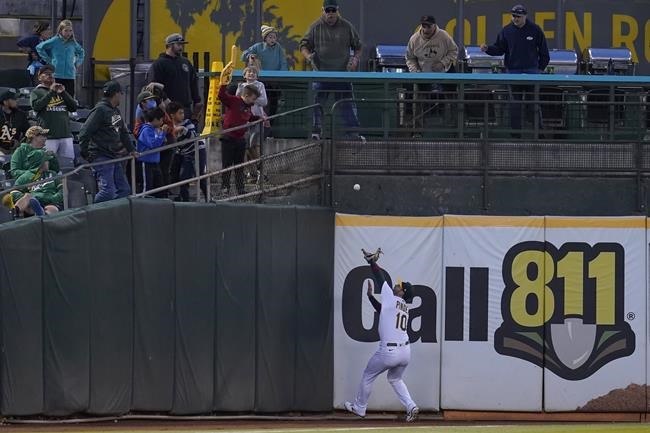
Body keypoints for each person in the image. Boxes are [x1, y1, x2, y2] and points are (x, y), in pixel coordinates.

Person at [344, 248, 419, 423]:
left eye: (400, 286)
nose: (397, 285)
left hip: (389, 352)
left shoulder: (392, 299)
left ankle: (359, 408)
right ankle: (411, 406)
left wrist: (371, 262)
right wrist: (370, 297)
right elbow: (381, 310)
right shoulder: (403, 307)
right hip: (405, 351)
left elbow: (380, 278)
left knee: (368, 375)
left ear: (402, 293)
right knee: (395, 378)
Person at [299, 0, 364, 141]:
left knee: (347, 104)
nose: (330, 14)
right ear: (323, 10)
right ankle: (316, 132)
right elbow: (303, 45)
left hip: (342, 74)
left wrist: (356, 59)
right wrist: (309, 56)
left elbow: (358, 46)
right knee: (317, 103)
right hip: (321, 73)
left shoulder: (347, 26)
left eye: (333, 11)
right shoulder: (315, 27)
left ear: (337, 10)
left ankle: (353, 133)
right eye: (327, 11)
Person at [480, 4, 549, 131]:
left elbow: (544, 51)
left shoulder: (535, 29)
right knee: (514, 104)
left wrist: (540, 68)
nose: (515, 19)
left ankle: (538, 132)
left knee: (533, 104)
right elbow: (500, 49)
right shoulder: (506, 31)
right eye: (514, 16)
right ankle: (515, 133)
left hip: (531, 71)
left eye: (518, 16)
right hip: (513, 70)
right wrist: (488, 49)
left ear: (525, 16)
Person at [79, 81, 137, 203]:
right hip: (101, 156)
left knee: (124, 190)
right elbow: (84, 132)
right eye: (120, 94)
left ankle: (114, 215)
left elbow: (122, 133)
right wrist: (86, 153)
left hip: (113, 156)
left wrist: (131, 150)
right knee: (108, 191)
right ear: (116, 94)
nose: (121, 96)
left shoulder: (115, 111)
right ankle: (93, 213)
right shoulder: (100, 110)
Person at [405, 15, 459, 132]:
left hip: (445, 71)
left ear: (434, 25)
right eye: (424, 26)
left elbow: (454, 51)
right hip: (424, 74)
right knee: (419, 100)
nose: (426, 29)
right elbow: (410, 58)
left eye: (428, 26)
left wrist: (443, 63)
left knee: (453, 99)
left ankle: (454, 129)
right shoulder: (414, 39)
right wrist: (415, 72)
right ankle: (418, 130)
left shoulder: (444, 36)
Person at [218, 64, 261, 196]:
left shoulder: (248, 107)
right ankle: (225, 187)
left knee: (239, 165)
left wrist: (259, 118)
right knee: (227, 164)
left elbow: (249, 117)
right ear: (247, 96)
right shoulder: (235, 101)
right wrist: (223, 84)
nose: (254, 102)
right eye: (253, 99)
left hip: (240, 138)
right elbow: (221, 96)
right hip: (229, 137)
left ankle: (240, 187)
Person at [147, 33, 202, 123]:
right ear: (170, 45)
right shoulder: (159, 64)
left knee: (188, 134)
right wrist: (165, 102)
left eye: (182, 45)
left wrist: (197, 101)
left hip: (185, 108)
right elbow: (153, 87)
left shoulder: (185, 62)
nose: (181, 48)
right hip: (169, 109)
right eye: (178, 44)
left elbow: (193, 82)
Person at [30, 64, 77, 166]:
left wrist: (63, 92)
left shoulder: (60, 91)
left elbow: (74, 107)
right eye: (46, 74)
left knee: (67, 165)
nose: (50, 75)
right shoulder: (37, 92)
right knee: (48, 165)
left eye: (52, 74)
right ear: (39, 77)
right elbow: (36, 107)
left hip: (65, 135)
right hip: (48, 137)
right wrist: (51, 92)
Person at [241, 25, 288, 120]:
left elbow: (283, 61)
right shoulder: (258, 47)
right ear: (265, 38)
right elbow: (243, 56)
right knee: (262, 104)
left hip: (275, 81)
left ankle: (270, 125)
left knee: (274, 104)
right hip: (262, 80)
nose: (273, 39)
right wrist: (250, 55)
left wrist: (282, 74)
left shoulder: (278, 48)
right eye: (270, 37)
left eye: (274, 37)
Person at [168, 102, 207, 202]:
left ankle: (208, 196)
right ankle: (184, 198)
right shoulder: (170, 126)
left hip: (197, 151)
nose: (182, 115)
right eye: (179, 113)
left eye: (182, 113)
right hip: (185, 153)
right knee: (183, 176)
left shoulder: (187, 123)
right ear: (172, 115)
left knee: (199, 174)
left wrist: (183, 129)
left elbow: (193, 136)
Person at [36, 19, 84, 97]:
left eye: (70, 31)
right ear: (61, 30)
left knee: (69, 97)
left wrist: (77, 63)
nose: (68, 33)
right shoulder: (55, 40)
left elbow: (81, 52)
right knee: (56, 97)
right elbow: (39, 47)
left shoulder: (73, 43)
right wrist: (48, 60)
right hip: (56, 74)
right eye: (66, 30)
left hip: (70, 75)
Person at [236, 66, 268, 171]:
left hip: (257, 118)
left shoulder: (260, 85)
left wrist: (252, 98)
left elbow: (264, 101)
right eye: (249, 72)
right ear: (244, 75)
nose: (251, 73)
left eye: (254, 72)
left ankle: (261, 169)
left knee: (253, 144)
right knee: (246, 147)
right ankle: (252, 171)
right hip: (244, 120)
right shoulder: (242, 86)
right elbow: (237, 100)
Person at [136, 107, 167, 197]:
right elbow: (153, 144)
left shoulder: (153, 130)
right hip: (146, 163)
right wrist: (163, 133)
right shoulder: (146, 130)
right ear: (155, 119)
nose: (162, 122)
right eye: (161, 119)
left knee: (159, 186)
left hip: (155, 162)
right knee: (147, 186)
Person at [0, 88, 30, 155]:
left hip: (16, 149)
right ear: (5, 102)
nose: (17, 100)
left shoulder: (20, 115)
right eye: (13, 99)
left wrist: (21, 144)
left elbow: (28, 132)